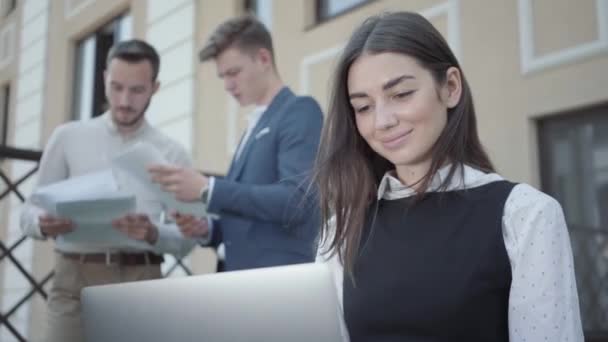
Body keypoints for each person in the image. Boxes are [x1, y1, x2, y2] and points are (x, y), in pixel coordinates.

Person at [313, 12, 584, 342]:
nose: (382, 120)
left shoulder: (524, 215)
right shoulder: (340, 231)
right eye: (363, 106)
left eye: (401, 94)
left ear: (451, 87)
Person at [20, 39, 197, 342]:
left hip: (142, 283)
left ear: (154, 88)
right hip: (74, 283)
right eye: (116, 87)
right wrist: (42, 222)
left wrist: (154, 234)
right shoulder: (67, 137)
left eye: (137, 90)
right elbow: (27, 212)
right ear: (104, 80)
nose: (124, 100)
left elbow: (190, 237)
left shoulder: (172, 153)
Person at [149, 15, 324, 271]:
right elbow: (248, 220)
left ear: (263, 59)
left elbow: (296, 202)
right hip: (240, 281)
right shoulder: (252, 128)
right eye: (222, 77)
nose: (228, 85)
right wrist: (207, 229)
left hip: (279, 283)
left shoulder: (300, 111)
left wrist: (208, 190)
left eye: (234, 72)